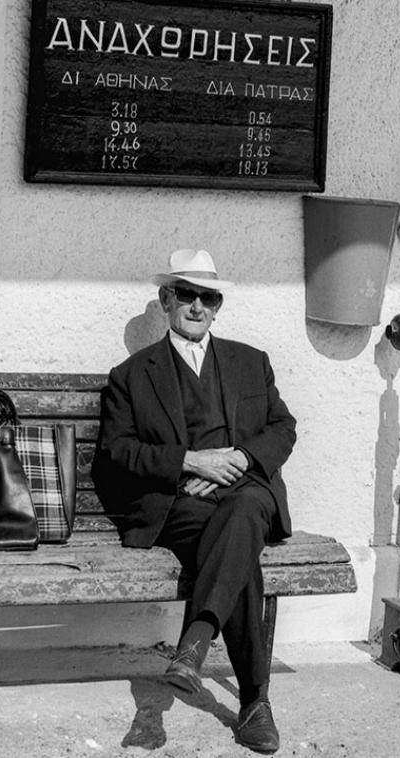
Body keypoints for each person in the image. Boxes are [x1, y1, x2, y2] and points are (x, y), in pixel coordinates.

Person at [92, 248, 296, 754]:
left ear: (218, 304)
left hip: (245, 489)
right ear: (167, 300)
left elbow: (283, 429)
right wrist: (190, 463)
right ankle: (254, 703)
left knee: (244, 510)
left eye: (210, 297)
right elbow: (116, 453)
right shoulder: (132, 376)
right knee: (238, 544)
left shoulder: (252, 362)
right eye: (187, 294)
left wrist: (241, 460)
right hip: (180, 505)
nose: (198, 306)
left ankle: (193, 648)